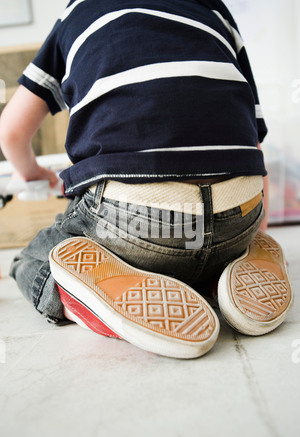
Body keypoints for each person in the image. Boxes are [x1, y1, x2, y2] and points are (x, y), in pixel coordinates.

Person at [0, 0, 293, 358]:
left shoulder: (76, 13)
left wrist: (31, 172)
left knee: (32, 259)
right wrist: (255, 223)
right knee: (200, 245)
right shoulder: (214, 10)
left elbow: (11, 132)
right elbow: (252, 137)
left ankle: (93, 300)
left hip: (136, 221)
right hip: (239, 212)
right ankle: (228, 266)